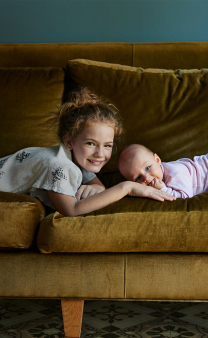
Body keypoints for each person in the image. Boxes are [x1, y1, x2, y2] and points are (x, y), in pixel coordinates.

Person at [0, 88, 175, 217]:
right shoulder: (58, 166)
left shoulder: (79, 159)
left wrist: (97, 187)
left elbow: (99, 187)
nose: (100, 154)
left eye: (107, 145)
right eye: (91, 143)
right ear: (69, 142)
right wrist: (126, 187)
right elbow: (71, 210)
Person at [118, 143, 208, 199]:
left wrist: (163, 189)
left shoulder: (175, 174)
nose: (146, 177)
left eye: (147, 168)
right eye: (138, 178)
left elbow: (186, 198)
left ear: (157, 160)